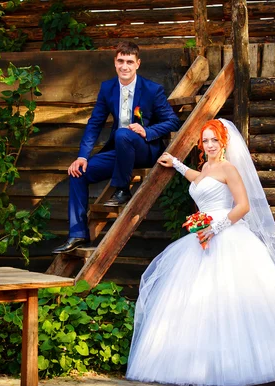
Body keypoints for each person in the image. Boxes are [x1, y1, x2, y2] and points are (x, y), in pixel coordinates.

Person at [125, 119, 275, 386]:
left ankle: (253, 364)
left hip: (227, 233)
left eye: (214, 140)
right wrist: (176, 164)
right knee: (197, 301)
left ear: (224, 142)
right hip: (202, 237)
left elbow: (243, 205)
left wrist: (215, 228)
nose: (209, 145)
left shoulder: (229, 168)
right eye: (206, 140)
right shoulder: (207, 167)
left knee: (233, 299)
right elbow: (199, 182)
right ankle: (201, 365)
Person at [53, 42, 181, 254]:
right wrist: (82, 156)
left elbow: (172, 121)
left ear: (137, 64)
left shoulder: (152, 90)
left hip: (144, 150)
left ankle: (123, 189)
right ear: (115, 63)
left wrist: (146, 131)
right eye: (121, 61)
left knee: (123, 133)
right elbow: (94, 123)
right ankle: (77, 234)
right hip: (119, 151)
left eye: (129, 62)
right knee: (78, 174)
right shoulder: (108, 88)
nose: (125, 66)